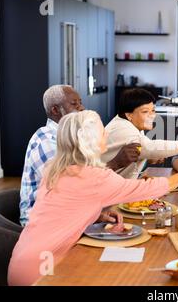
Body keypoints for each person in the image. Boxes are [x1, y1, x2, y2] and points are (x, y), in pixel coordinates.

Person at [8, 110, 178, 286]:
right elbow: (146, 189)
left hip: (22, 260)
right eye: (103, 131)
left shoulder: (56, 167)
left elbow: (61, 209)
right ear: (91, 141)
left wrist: (94, 214)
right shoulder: (95, 177)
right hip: (44, 272)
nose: (107, 134)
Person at [19, 85, 139, 226]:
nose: (81, 108)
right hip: (42, 224)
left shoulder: (71, 136)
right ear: (55, 110)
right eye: (74, 104)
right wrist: (115, 163)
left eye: (80, 102)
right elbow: (73, 185)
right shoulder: (46, 141)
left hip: (67, 213)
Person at [102, 88, 178, 179]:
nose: (152, 116)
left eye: (153, 110)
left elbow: (141, 150)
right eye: (145, 112)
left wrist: (147, 158)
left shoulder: (131, 125)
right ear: (129, 115)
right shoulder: (122, 128)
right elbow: (148, 147)